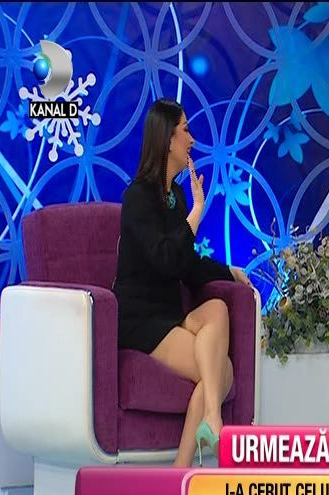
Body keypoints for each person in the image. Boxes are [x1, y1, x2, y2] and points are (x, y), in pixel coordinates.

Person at [112, 98, 252, 468]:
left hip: (169, 314)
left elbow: (186, 266)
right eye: (186, 130)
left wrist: (229, 272)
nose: (192, 139)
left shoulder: (173, 195)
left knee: (218, 308)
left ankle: (202, 435)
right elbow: (165, 258)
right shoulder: (137, 197)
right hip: (140, 321)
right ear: (167, 139)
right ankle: (193, 452)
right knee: (221, 373)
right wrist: (196, 213)